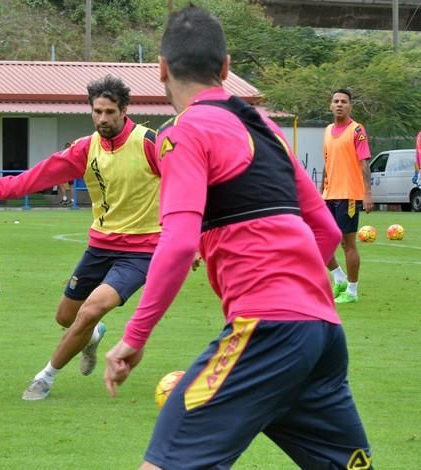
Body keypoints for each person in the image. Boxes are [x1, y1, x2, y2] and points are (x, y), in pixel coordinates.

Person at [103, 6, 372, 469]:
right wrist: (298, 295)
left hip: (267, 331)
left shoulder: (184, 133)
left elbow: (180, 242)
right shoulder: (266, 129)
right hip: (322, 333)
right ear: (226, 67)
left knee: (165, 463)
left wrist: (135, 335)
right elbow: (326, 230)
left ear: (162, 70)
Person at [0, 75, 160, 401]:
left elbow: (187, 185)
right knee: (66, 317)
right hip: (100, 246)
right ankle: (90, 339)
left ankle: (45, 378)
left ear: (124, 110)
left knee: (90, 311)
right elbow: (40, 175)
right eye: (97, 112)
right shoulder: (85, 148)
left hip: (141, 251)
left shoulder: (149, 143)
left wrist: (195, 239)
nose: (103, 119)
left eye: (109, 112)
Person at [320, 88, 373, 304]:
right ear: (330, 105)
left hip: (349, 194)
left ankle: (352, 291)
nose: (339, 104)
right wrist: (320, 191)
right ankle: (339, 278)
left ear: (350, 106)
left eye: (343, 101)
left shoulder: (357, 130)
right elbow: (326, 163)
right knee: (319, 240)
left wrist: (367, 193)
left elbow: (364, 163)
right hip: (328, 195)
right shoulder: (327, 130)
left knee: (347, 244)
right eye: (336, 101)